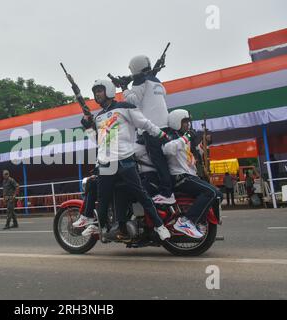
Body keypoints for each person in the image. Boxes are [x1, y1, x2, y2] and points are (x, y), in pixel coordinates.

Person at [77, 79, 171, 241]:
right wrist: (88, 128)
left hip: (126, 160)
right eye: (95, 92)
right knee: (103, 199)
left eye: (100, 90)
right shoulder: (99, 118)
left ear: (109, 90)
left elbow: (145, 123)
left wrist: (161, 135)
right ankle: (103, 228)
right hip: (107, 163)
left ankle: (159, 225)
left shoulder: (124, 107)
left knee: (141, 194)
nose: (97, 94)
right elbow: (99, 141)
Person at [122, 55, 175, 205]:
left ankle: (167, 193)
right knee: (159, 160)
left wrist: (124, 88)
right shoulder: (156, 81)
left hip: (151, 127)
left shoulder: (141, 80)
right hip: (164, 125)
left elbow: (133, 101)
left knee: (158, 161)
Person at [163, 109, 223, 238]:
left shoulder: (184, 139)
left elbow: (193, 156)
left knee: (218, 195)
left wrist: (204, 142)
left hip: (190, 176)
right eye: (185, 122)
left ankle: (198, 221)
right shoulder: (170, 136)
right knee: (210, 192)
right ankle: (186, 221)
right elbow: (168, 149)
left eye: (188, 122)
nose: (187, 125)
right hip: (180, 177)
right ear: (176, 122)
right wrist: (186, 138)